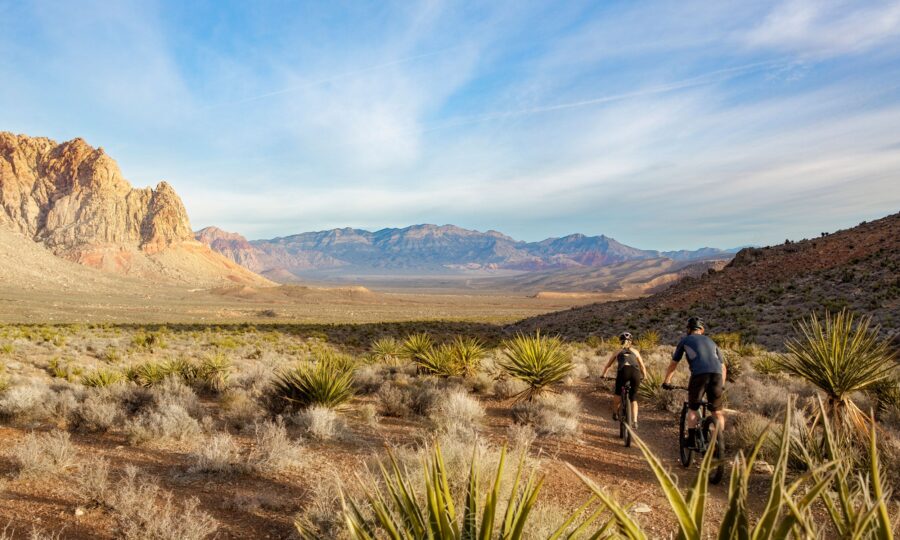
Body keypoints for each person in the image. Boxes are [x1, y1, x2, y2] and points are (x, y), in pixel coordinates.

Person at [662, 316, 727, 442]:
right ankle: (718, 443)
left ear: (688, 329)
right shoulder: (711, 342)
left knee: (693, 408)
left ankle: (691, 439)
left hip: (699, 376)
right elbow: (723, 368)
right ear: (701, 330)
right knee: (717, 412)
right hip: (717, 376)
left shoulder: (685, 340)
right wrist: (722, 385)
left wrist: (667, 381)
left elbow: (674, 363)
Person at [601, 332, 647, 428]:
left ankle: (615, 413)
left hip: (623, 372)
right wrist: (645, 376)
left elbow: (608, 365)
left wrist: (604, 374)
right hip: (635, 373)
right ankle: (634, 421)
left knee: (618, 393)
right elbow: (642, 366)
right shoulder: (635, 351)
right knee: (633, 398)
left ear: (620, 341)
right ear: (631, 342)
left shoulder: (617, 351)